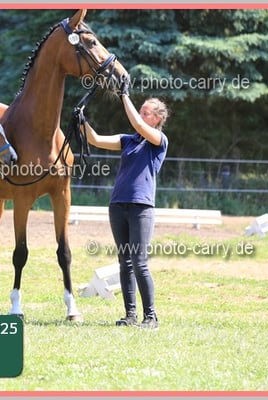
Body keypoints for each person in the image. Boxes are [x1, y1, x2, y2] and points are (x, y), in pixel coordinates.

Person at [84, 84, 169, 329]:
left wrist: (124, 95)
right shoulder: (128, 140)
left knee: (139, 262)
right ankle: (130, 315)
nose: (141, 115)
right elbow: (95, 139)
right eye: (140, 111)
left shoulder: (159, 140)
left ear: (157, 119)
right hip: (117, 204)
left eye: (146, 112)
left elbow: (139, 125)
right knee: (125, 262)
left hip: (141, 207)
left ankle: (150, 317)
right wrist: (82, 120)